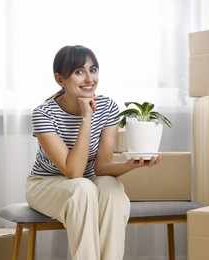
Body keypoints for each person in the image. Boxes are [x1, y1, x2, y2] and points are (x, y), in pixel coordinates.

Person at [25, 45, 161, 260]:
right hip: (45, 183)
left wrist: (131, 164)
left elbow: (101, 167)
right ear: (60, 79)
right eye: (79, 71)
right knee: (82, 188)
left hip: (88, 180)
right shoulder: (43, 114)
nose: (89, 79)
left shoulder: (107, 107)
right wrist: (86, 118)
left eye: (93, 70)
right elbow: (73, 172)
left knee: (112, 189)